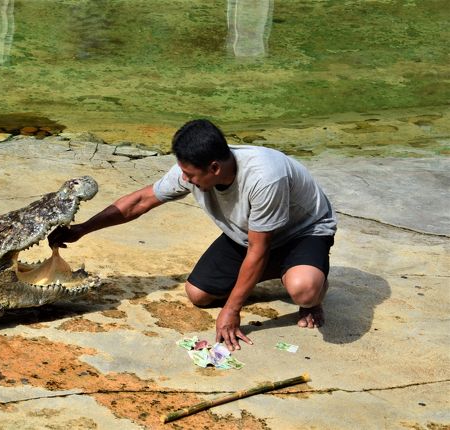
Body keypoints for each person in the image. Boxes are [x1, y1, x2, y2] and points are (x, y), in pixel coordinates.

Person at [48, 119, 337, 351]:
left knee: (303, 288)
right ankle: (277, 273)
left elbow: (259, 250)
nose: (184, 180)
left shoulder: (265, 178)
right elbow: (140, 201)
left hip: (303, 232)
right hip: (249, 236)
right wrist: (83, 229)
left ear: (214, 167)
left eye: (190, 175)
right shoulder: (194, 168)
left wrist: (232, 309)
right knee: (198, 294)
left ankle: (310, 287)